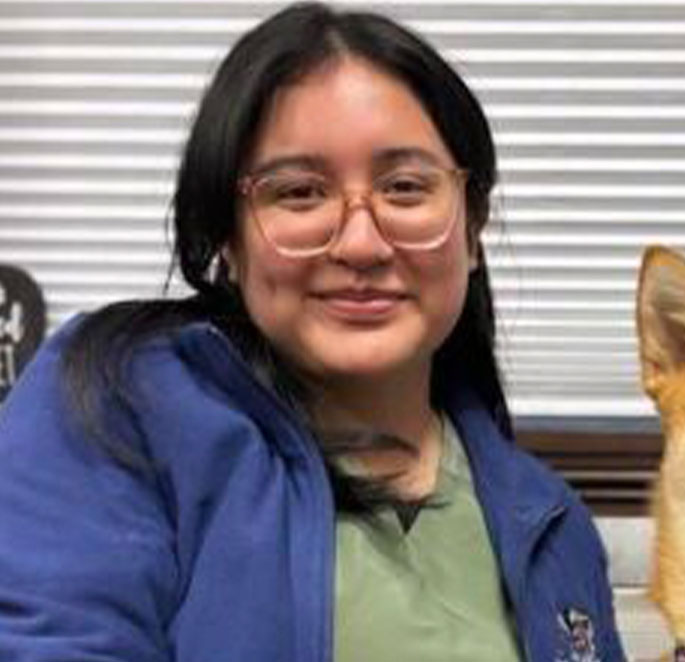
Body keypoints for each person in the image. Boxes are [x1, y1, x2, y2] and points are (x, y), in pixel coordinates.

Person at [0, 3, 626, 662]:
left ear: (471, 230)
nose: (361, 243)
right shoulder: (113, 409)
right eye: (299, 193)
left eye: (406, 187)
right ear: (228, 243)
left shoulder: (552, 523)